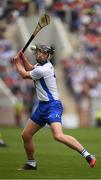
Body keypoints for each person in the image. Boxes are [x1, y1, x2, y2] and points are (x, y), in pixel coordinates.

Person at [13, 45, 96, 170]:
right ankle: (31, 163)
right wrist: (23, 58)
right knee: (26, 135)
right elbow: (31, 68)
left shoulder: (43, 69)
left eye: (44, 54)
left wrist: (17, 62)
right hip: (42, 107)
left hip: (53, 106)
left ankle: (88, 155)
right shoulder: (40, 66)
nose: (41, 55)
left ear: (48, 56)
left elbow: (24, 74)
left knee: (58, 135)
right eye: (40, 53)